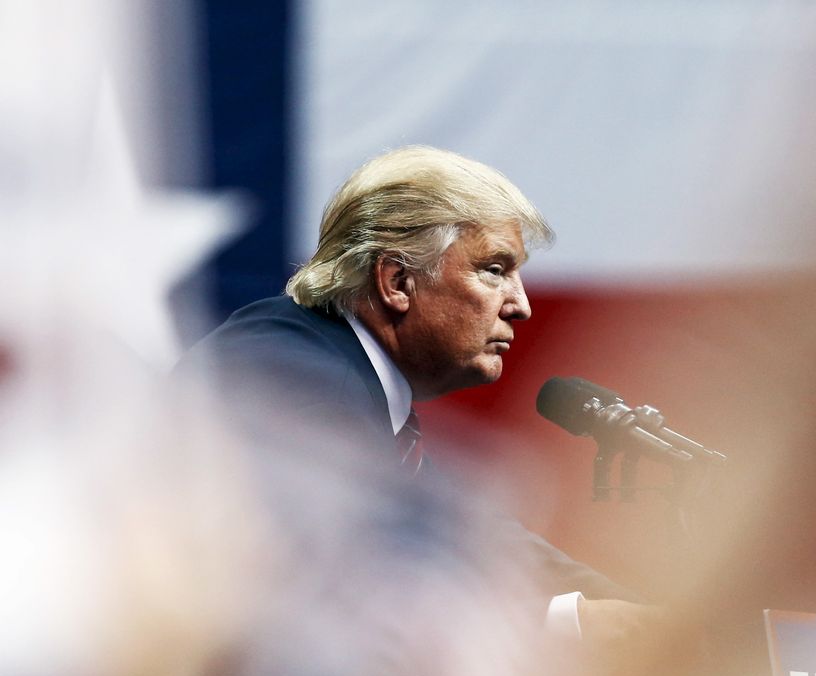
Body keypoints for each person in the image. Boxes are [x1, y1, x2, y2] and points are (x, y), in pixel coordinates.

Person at [178, 145, 659, 645]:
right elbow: (344, 601)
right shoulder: (298, 381)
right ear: (398, 281)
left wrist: (639, 614)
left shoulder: (345, 372)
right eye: (494, 270)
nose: (521, 306)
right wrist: (567, 621)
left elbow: (480, 540)